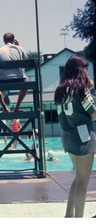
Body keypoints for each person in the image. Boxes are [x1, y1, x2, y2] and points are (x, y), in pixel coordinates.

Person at [54, 54, 96, 217]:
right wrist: (90, 91)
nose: (86, 73)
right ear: (79, 70)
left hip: (68, 138)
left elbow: (61, 117)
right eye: (85, 70)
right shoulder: (81, 89)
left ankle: (69, 215)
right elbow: (93, 114)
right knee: (83, 181)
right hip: (84, 139)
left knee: (79, 178)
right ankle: (79, 218)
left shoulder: (60, 90)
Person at [0, 32, 29, 113]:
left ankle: (4, 107)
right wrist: (18, 45)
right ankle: (17, 107)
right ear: (13, 40)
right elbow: (27, 61)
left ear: (3, 40)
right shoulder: (19, 48)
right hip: (20, 79)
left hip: (3, 80)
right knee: (28, 81)